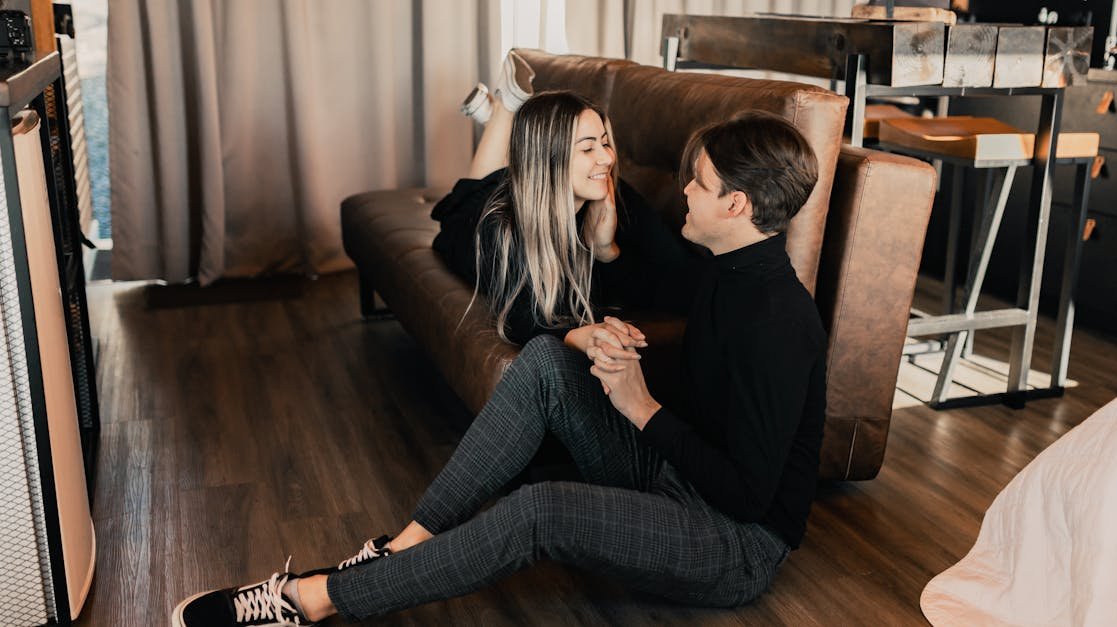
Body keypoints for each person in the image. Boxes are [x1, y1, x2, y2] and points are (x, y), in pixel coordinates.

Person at [172, 110, 827, 626]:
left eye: (700, 183)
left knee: (538, 510)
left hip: (734, 540)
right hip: (676, 477)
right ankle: (402, 548)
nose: (684, 189)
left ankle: (313, 598)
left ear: (737, 206)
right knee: (546, 360)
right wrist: (616, 339)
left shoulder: (778, 320)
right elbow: (692, 374)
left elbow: (748, 496)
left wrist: (641, 406)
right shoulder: (725, 272)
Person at [432, 51, 694, 346]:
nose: (607, 158)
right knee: (473, 192)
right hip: (473, 220)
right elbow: (521, 318)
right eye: (588, 148)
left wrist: (607, 251)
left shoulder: (614, 196)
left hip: (532, 181)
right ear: (549, 161)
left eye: (605, 143)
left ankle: (501, 118)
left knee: (498, 178)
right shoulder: (501, 226)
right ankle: (505, 112)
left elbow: (680, 283)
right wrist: (577, 336)